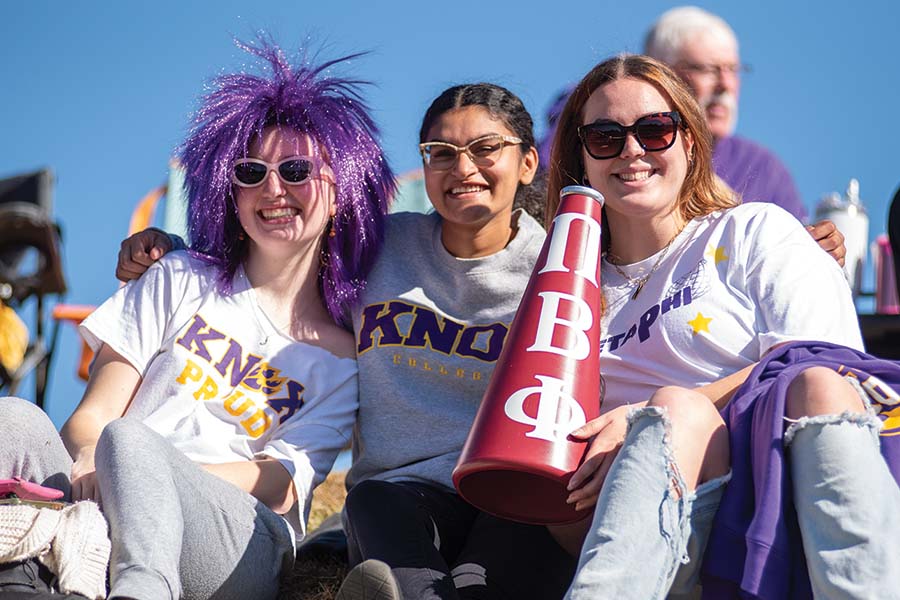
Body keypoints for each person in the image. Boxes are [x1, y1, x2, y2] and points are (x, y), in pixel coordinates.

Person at [117, 82, 578, 600]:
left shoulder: (564, 272)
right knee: (371, 503)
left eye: (486, 149)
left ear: (529, 162)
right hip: (403, 496)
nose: (463, 168)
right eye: (441, 153)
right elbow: (280, 247)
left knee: (492, 562)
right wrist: (169, 251)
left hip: (507, 495)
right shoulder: (378, 246)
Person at [0, 37, 392, 600]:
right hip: (112, 479)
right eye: (251, 171)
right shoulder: (178, 276)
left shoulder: (345, 358)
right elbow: (92, 418)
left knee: (133, 444)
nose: (273, 188)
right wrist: (100, 460)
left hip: (236, 538)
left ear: (340, 190)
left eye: (297, 169)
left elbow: (280, 486)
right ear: (229, 191)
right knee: (14, 419)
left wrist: (139, 472)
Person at [546, 54, 900, 599]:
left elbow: (827, 367)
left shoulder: (755, 230)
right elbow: (559, 501)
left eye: (654, 130)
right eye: (605, 137)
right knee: (675, 414)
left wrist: (647, 415)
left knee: (772, 391)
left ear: (690, 141)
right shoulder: (564, 293)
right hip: (657, 537)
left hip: (788, 493)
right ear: (581, 158)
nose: (633, 151)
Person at [538, 6, 846, 265]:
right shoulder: (582, 121)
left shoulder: (764, 168)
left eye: (733, 69)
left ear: (688, 145)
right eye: (707, 69)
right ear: (658, 72)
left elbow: (788, 260)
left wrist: (812, 249)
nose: (725, 84)